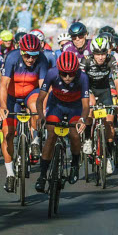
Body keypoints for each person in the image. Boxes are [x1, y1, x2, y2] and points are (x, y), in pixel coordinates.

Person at [0, 33, 50, 193]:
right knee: (8, 134)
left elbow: (43, 89)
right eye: (27, 55)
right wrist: (3, 107)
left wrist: (42, 114)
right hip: (12, 95)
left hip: (30, 93)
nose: (30, 59)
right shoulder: (12, 57)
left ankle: (35, 140)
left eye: (34, 56)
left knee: (36, 108)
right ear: (21, 51)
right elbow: (4, 85)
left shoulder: (43, 60)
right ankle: (10, 174)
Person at [39, 51, 90, 188]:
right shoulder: (51, 73)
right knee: (51, 135)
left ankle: (74, 165)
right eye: (64, 74)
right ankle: (42, 175)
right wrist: (41, 116)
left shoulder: (83, 77)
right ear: (58, 71)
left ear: (76, 71)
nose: (67, 77)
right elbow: (40, 99)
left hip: (75, 107)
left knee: (74, 134)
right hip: (56, 105)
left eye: (71, 74)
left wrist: (82, 120)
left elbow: (86, 105)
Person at [81, 36, 118, 173]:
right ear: (92, 53)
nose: (100, 57)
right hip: (89, 89)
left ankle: (107, 157)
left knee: (109, 123)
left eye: (103, 53)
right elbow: (80, 80)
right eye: (97, 54)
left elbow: (117, 81)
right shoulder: (86, 61)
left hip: (105, 91)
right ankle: (88, 139)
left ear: (107, 52)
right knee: (90, 106)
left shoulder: (111, 60)